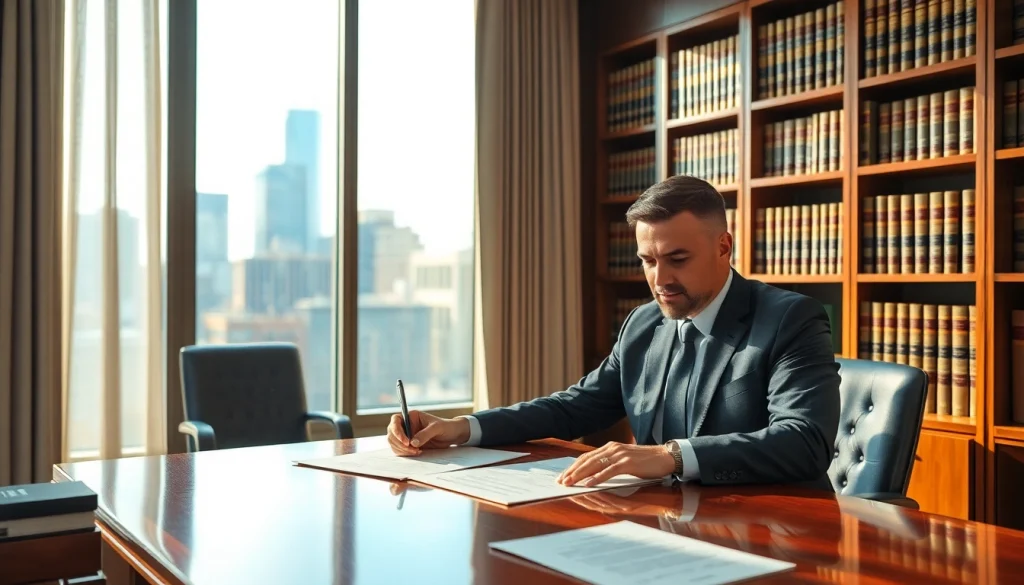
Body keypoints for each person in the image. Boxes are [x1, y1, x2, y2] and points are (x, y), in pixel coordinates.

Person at [387, 175, 841, 491]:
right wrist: (461, 428)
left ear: (723, 247)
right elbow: (574, 408)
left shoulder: (789, 319)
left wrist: (673, 456)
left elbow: (804, 441)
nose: (659, 278)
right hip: (664, 523)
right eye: (648, 260)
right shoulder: (644, 323)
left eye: (677, 259)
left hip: (772, 532)